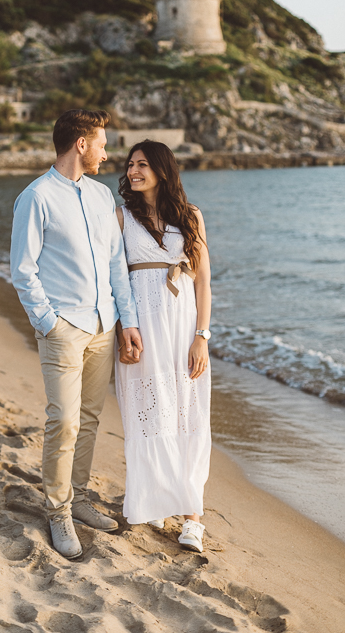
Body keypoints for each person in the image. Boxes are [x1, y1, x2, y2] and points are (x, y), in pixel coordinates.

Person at [10, 109, 143, 560]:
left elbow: (115, 267)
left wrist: (128, 322)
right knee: (62, 421)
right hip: (64, 327)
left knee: (88, 420)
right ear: (80, 144)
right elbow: (22, 271)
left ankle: (80, 497)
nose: (108, 152)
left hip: (104, 325)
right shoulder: (36, 197)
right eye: (102, 143)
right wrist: (49, 323)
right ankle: (58, 509)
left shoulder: (104, 196)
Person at [115, 140, 212, 553]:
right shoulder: (120, 217)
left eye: (142, 164)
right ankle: (154, 498)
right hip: (141, 330)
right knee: (149, 415)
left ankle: (193, 517)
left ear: (162, 169)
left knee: (188, 415)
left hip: (182, 328)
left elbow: (204, 281)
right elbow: (115, 280)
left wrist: (201, 337)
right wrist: (124, 328)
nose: (134, 171)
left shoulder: (191, 217)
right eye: (130, 164)